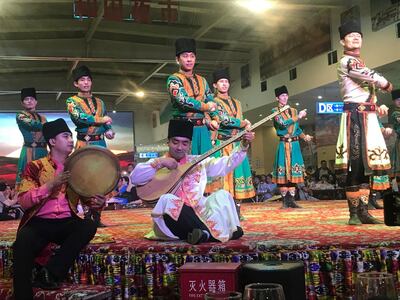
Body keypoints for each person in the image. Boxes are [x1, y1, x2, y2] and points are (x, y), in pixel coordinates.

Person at [13, 118, 105, 300]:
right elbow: (23, 201)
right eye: (66, 136)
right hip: (39, 222)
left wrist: (97, 202)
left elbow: (87, 199)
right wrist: (50, 185)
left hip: (66, 221)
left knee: (87, 226)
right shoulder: (35, 167)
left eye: (71, 136)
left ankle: (50, 273)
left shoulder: (78, 168)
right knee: (22, 241)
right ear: (53, 142)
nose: (71, 140)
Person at [131, 119, 255, 244]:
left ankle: (205, 234)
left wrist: (243, 146)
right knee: (166, 200)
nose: (180, 147)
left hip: (200, 213)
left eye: (185, 143)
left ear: (190, 145)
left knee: (222, 195)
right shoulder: (157, 163)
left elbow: (226, 164)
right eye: (175, 142)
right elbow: (135, 178)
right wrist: (160, 163)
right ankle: (220, 232)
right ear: (168, 142)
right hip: (175, 221)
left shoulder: (197, 161)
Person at [335, 20, 393, 225]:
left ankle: (364, 211)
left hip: (368, 117)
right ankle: (353, 213)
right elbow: (366, 75)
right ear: (343, 41)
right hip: (355, 118)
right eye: (350, 36)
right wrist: (385, 82)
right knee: (355, 164)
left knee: (368, 166)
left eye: (358, 35)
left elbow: (367, 92)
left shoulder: (360, 62)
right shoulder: (346, 61)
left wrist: (378, 108)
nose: (356, 38)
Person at [66, 65, 114, 226]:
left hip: (100, 143)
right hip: (84, 144)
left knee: (102, 178)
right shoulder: (72, 101)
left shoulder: (100, 101)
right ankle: (87, 216)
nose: (85, 83)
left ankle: (96, 216)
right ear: (76, 84)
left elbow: (107, 123)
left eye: (88, 80)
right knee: (84, 178)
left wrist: (109, 130)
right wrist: (103, 120)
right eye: (82, 80)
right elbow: (79, 118)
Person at [167, 38, 220, 155]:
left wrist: (215, 119)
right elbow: (183, 101)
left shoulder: (202, 80)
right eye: (185, 56)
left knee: (206, 165)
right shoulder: (173, 79)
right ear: (177, 59)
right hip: (182, 128)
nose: (189, 59)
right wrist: (206, 107)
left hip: (202, 129)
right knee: (185, 167)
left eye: (192, 56)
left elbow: (211, 101)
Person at [209, 68, 255, 202]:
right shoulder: (213, 102)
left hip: (237, 144)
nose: (224, 84)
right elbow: (223, 119)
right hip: (222, 145)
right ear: (215, 85)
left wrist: (246, 128)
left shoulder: (238, 103)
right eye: (221, 81)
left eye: (226, 81)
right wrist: (243, 123)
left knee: (237, 179)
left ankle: (237, 212)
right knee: (223, 180)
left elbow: (240, 122)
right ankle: (223, 213)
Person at [271, 85, 313, 208]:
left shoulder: (293, 111)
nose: (285, 97)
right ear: (277, 98)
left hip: (294, 145)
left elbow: (297, 128)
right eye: (282, 96)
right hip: (283, 144)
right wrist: (298, 116)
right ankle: (285, 201)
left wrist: (305, 137)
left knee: (294, 171)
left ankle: (292, 200)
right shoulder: (275, 112)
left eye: (286, 95)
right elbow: (283, 124)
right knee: (283, 173)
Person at [16, 88, 47, 188]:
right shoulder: (20, 115)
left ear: (36, 102)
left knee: (43, 178)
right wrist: (47, 126)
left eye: (32, 99)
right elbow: (33, 124)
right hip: (29, 151)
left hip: (42, 151)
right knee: (27, 180)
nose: (29, 101)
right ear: (22, 103)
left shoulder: (43, 117)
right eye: (26, 99)